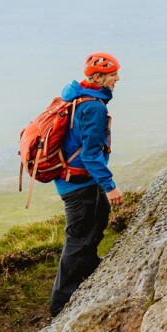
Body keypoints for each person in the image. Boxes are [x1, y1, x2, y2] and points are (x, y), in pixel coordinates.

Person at [49, 52, 124, 317]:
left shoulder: (78, 95)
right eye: (113, 74)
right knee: (77, 239)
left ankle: (90, 266)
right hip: (78, 183)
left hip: (77, 179)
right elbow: (91, 154)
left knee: (99, 215)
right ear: (98, 77)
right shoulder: (93, 107)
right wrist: (110, 185)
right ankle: (61, 303)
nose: (117, 78)